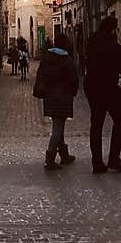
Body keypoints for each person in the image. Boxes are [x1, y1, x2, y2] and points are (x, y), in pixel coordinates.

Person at [83, 15, 121, 174]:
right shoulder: (112, 46)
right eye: (115, 29)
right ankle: (113, 159)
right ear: (111, 30)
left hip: (92, 88)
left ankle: (97, 162)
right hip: (108, 88)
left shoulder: (92, 44)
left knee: (96, 125)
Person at [33, 34, 80, 171]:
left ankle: (64, 154)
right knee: (58, 127)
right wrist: (73, 91)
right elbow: (73, 80)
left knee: (58, 124)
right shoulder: (67, 60)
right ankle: (50, 157)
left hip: (49, 96)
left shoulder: (47, 59)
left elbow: (40, 75)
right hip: (63, 96)